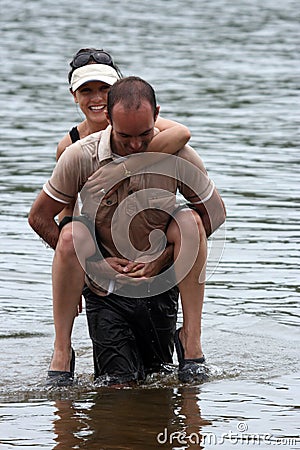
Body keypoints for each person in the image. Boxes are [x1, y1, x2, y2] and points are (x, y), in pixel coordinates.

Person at [28, 76, 226, 386]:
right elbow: (39, 217)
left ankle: (191, 340)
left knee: (190, 221)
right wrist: (93, 265)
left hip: (159, 284)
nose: (135, 145)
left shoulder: (179, 156)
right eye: (125, 137)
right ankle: (62, 352)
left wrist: (162, 262)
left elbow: (216, 214)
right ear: (107, 118)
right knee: (118, 388)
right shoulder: (81, 155)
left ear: (157, 115)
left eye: (144, 135)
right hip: (105, 287)